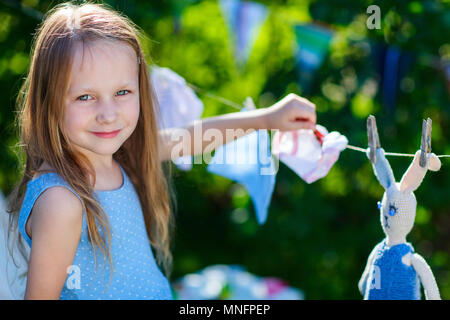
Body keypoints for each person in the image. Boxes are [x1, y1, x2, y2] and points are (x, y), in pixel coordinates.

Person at [4, 2, 316, 300]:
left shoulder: (118, 157)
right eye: (85, 97)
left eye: (122, 92)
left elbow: (190, 138)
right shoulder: (62, 200)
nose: (108, 113)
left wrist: (268, 118)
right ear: (49, 101)